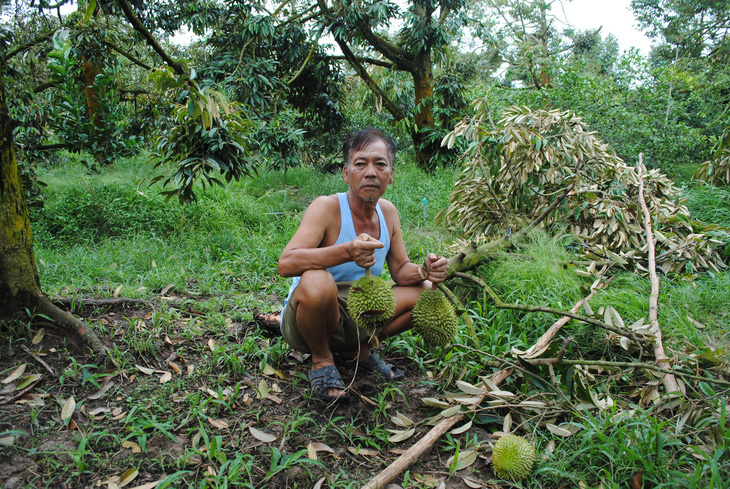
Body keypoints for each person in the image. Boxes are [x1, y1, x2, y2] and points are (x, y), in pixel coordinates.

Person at [278, 128, 448, 403]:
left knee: (426, 290)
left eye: (380, 164)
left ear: (391, 175)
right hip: (308, 320)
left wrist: (425, 270)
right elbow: (286, 263)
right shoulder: (326, 208)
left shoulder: (388, 213)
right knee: (317, 280)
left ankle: (358, 350)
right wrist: (347, 251)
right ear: (346, 173)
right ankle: (321, 360)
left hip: (358, 312)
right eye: (360, 164)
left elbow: (401, 269)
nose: (371, 172)